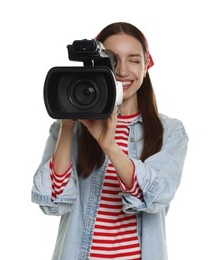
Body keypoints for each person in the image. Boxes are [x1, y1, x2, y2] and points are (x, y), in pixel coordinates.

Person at [32, 22, 189, 260]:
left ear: (147, 66)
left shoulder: (170, 131)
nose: (122, 70)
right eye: (112, 60)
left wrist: (109, 146)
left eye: (134, 60)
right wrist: (67, 123)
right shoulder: (68, 129)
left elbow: (157, 196)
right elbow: (54, 202)